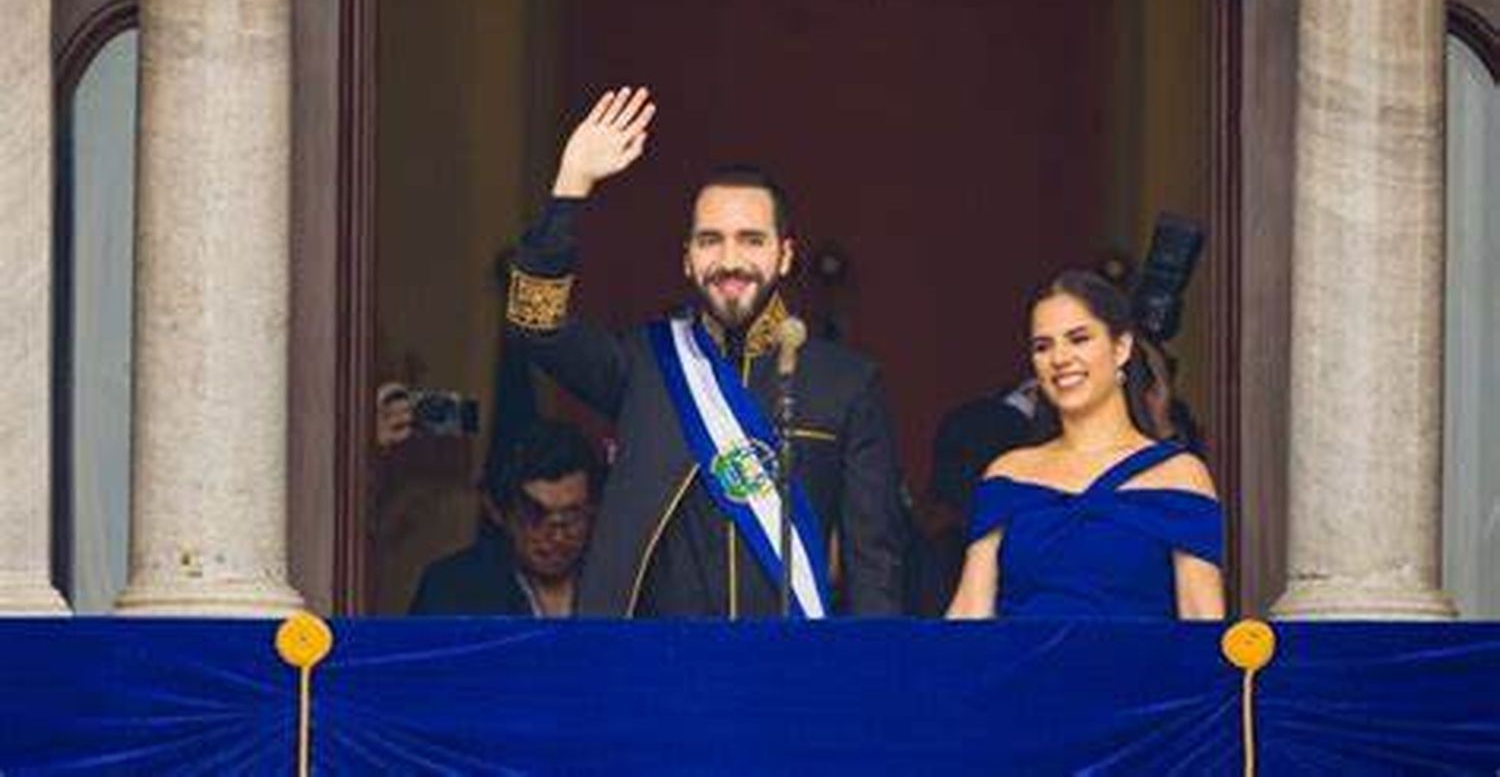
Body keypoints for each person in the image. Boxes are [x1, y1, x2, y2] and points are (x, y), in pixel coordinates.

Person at [506, 86, 906, 618]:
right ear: (688, 260)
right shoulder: (644, 365)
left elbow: (874, 564)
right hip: (653, 676)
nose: (730, 259)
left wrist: (874, 688)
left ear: (785, 255)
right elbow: (534, 325)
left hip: (788, 676)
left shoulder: (847, 384)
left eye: (751, 240)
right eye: (710, 240)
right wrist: (570, 187)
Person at [946, 270, 1224, 619]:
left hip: (1137, 674)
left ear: (1121, 347)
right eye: (1043, 346)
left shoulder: (1180, 475)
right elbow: (970, 612)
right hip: (1021, 673)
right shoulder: (1008, 474)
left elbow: (1202, 623)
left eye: (1078, 339)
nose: (1060, 358)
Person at [409, 419, 603, 617]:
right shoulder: (449, 590)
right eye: (537, 516)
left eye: (573, 516)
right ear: (499, 512)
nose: (559, 537)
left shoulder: (619, 580)